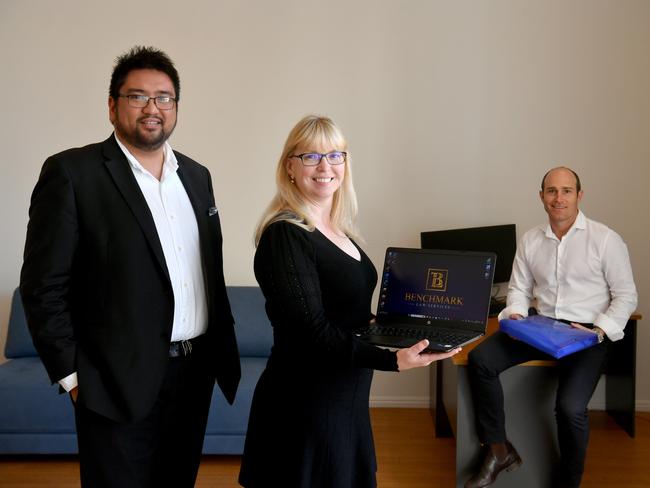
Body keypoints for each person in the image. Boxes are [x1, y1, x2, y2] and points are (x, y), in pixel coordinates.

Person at [19, 46, 240, 488]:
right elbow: (43, 285)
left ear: (176, 107)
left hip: (193, 375)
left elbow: (205, 275)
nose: (152, 107)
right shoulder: (72, 173)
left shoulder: (197, 177)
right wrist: (73, 378)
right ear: (112, 105)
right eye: (137, 96)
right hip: (113, 382)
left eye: (164, 97)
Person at [237, 115, 460, 488]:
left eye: (335, 155)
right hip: (305, 402)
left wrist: (388, 326)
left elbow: (342, 309)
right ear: (290, 166)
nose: (325, 167)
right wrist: (392, 359)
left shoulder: (340, 230)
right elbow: (312, 331)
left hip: (345, 396)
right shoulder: (286, 235)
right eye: (310, 156)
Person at [464, 167, 637, 488]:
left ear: (579, 195)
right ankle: (499, 450)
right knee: (481, 360)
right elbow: (517, 289)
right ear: (542, 196)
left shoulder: (605, 239)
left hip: (588, 333)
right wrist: (515, 313)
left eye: (567, 191)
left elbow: (626, 296)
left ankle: (568, 483)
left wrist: (599, 329)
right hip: (541, 327)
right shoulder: (531, 240)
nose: (559, 198)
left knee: (570, 408)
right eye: (552, 191)